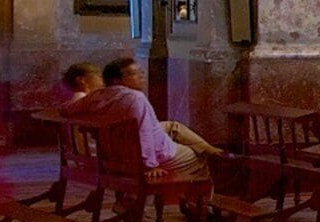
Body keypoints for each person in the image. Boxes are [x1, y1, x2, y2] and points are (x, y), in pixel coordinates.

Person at [67, 58, 219, 178]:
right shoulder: (135, 98)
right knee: (198, 157)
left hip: (115, 150)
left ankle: (214, 151)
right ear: (117, 80)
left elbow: (67, 109)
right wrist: (150, 165)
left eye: (140, 72)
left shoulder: (97, 95)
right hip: (141, 155)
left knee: (173, 126)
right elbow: (143, 133)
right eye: (134, 73)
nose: (141, 76)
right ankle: (199, 202)